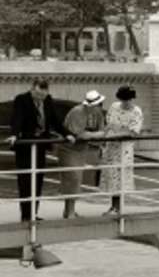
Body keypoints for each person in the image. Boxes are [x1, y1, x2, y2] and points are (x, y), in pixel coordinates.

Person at [7, 78, 68, 223]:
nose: (41, 98)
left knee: (38, 179)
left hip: (40, 145)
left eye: (44, 95)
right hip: (26, 146)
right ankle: (26, 215)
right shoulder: (21, 100)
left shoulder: (48, 100)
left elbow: (55, 121)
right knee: (26, 180)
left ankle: (34, 213)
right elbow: (17, 119)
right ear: (33, 89)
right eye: (39, 95)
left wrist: (68, 134)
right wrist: (14, 134)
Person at [58, 90, 107, 218]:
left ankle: (69, 210)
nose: (100, 107)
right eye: (98, 104)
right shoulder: (77, 112)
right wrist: (94, 135)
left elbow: (102, 131)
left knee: (77, 179)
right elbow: (79, 134)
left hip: (81, 149)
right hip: (68, 149)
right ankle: (69, 212)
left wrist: (90, 134)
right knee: (72, 177)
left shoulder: (99, 114)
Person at [100, 85, 144, 215]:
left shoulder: (136, 111)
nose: (127, 102)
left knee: (120, 178)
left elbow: (132, 132)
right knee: (111, 178)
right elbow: (108, 125)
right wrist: (104, 138)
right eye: (125, 100)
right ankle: (113, 206)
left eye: (130, 100)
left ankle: (117, 208)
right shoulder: (114, 106)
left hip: (124, 149)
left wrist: (115, 133)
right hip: (111, 148)